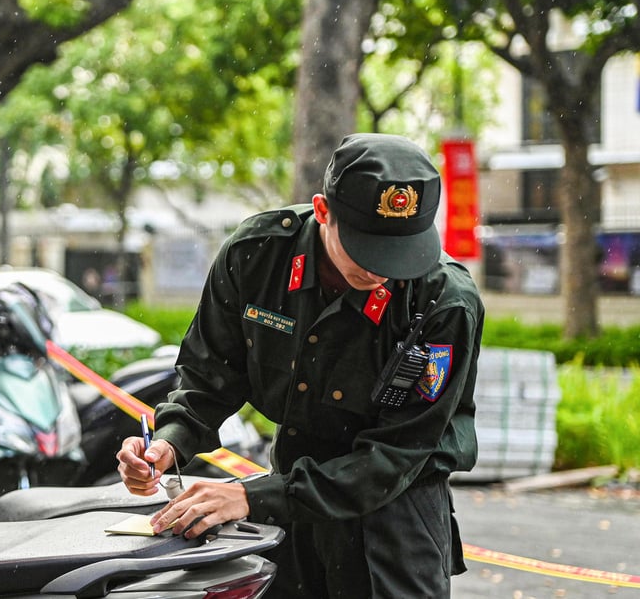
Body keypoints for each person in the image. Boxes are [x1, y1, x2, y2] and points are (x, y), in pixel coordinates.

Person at [117, 133, 484, 598]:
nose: (380, 271)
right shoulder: (256, 256)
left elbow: (398, 453)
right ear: (323, 211)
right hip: (287, 503)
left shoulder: (442, 301)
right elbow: (211, 377)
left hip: (395, 514)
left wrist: (252, 497)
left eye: (399, 253)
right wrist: (168, 444)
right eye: (365, 248)